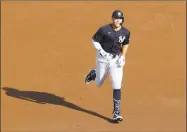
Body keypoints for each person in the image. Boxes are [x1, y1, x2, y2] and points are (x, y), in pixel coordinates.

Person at [85, 10, 131, 123]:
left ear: (122, 20)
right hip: (102, 59)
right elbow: (94, 40)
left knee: (117, 84)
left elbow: (126, 43)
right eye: (116, 18)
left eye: (119, 19)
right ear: (112, 19)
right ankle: (94, 73)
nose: (117, 20)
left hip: (116, 60)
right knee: (98, 83)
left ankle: (116, 113)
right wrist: (101, 50)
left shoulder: (126, 32)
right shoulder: (104, 30)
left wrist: (123, 56)